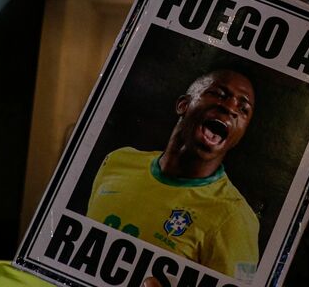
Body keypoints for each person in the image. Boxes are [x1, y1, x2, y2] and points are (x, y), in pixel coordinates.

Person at [87, 70, 260, 281]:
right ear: (183, 105)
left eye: (243, 109)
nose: (230, 107)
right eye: (219, 94)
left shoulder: (234, 218)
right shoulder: (118, 161)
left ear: (239, 136)